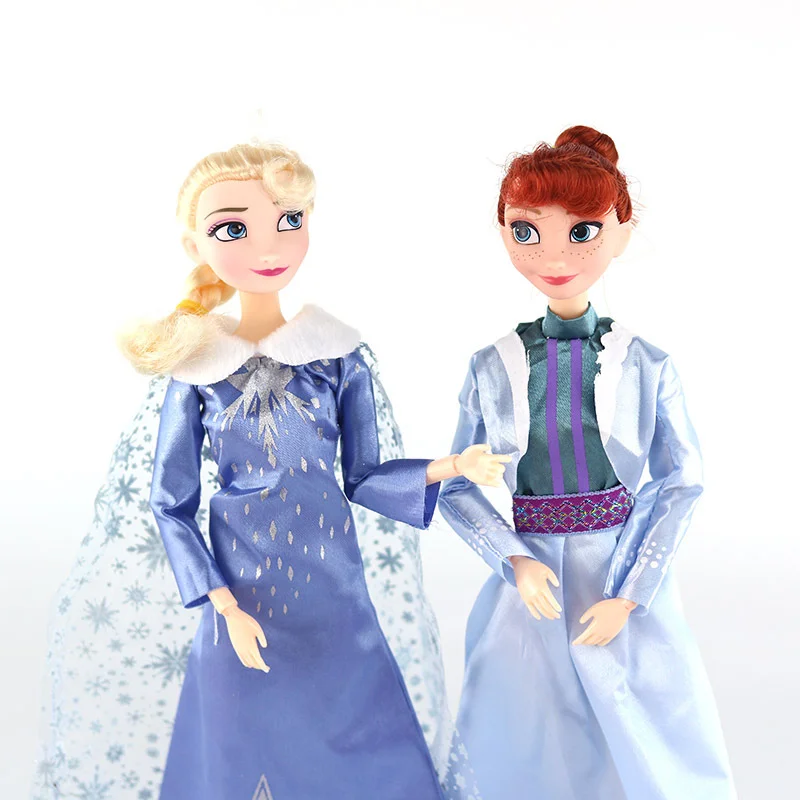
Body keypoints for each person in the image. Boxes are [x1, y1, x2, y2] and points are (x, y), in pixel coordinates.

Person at [439, 125, 736, 799]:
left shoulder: (646, 363)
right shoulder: (493, 365)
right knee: (521, 719)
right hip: (531, 573)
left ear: (621, 233)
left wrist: (632, 590)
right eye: (526, 231)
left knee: (640, 714)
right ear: (504, 232)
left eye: (582, 232)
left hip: (617, 565)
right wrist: (512, 558)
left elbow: (681, 479)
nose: (553, 254)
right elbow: (456, 484)